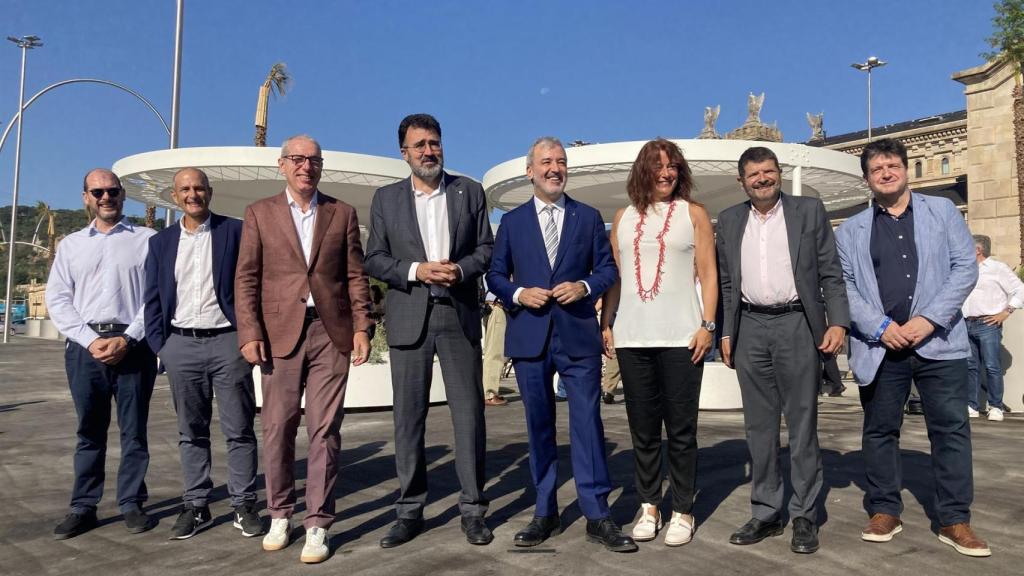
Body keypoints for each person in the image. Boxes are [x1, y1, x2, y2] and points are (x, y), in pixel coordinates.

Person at [836, 138, 989, 557]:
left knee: (951, 432)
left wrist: (927, 320)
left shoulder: (941, 211)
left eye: (892, 165)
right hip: (881, 346)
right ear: (867, 178)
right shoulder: (851, 230)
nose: (885, 173)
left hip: (939, 343)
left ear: (904, 169)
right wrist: (881, 326)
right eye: (876, 169)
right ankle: (885, 509)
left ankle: (955, 519)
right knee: (880, 430)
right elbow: (844, 287)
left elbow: (963, 269)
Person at [487, 136, 636, 553]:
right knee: (539, 427)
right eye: (546, 162)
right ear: (529, 171)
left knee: (588, 424)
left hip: (576, 336)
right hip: (531, 337)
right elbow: (495, 275)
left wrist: (585, 285)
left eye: (561, 161)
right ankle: (544, 511)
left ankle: (598, 513)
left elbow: (608, 270)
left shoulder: (588, 218)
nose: (555, 168)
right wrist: (518, 294)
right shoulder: (512, 222)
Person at [234, 134, 374, 564]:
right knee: (277, 427)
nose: (305, 166)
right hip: (278, 336)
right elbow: (247, 279)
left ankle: (317, 523)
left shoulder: (342, 213)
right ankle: (280, 513)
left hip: (330, 333)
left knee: (325, 430)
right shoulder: (259, 213)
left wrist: (363, 326)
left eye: (313, 160)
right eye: (296, 159)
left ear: (321, 166)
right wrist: (249, 332)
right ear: (282, 165)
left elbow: (355, 276)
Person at [364, 114, 494, 548]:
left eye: (434, 143)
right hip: (409, 318)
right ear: (404, 153)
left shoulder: (468, 192)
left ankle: (473, 509)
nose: (428, 151)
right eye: (419, 145)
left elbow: (486, 250)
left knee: (469, 417)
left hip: (457, 315)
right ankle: (408, 510)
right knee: (408, 420)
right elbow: (375, 259)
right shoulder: (386, 200)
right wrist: (417, 270)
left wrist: (459, 269)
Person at [717, 146, 849, 554]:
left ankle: (805, 514)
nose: (762, 179)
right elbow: (726, 283)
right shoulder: (730, 219)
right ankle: (766, 511)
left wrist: (838, 321)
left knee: (802, 423)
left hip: (797, 323)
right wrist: (726, 332)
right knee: (758, 426)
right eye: (754, 174)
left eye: (769, 171)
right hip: (750, 327)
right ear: (742, 181)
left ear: (778, 173)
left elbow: (830, 270)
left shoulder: (808, 211)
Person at [600, 139, 718, 547]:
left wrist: (708, 324)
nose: (665, 173)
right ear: (643, 172)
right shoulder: (623, 217)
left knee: (682, 430)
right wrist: (607, 320)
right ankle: (649, 505)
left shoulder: (694, 213)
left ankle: (683, 509)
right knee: (643, 430)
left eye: (672, 166)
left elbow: (708, 272)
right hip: (633, 338)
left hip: (683, 337)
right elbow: (614, 277)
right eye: (657, 166)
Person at [143, 168, 261, 540]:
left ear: (209, 192)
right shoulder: (161, 243)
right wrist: (161, 345)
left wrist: (249, 335)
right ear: (174, 196)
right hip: (181, 345)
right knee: (190, 431)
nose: (193, 194)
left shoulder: (235, 231)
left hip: (228, 342)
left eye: (199, 188)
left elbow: (254, 283)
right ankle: (197, 505)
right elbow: (153, 298)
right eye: (185, 189)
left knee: (239, 429)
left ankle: (243, 503)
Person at [46, 168, 157, 539]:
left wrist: (128, 338)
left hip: (134, 348)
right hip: (84, 349)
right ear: (85, 197)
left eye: (112, 191)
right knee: (89, 432)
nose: (105, 197)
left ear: (123, 195)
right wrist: (89, 340)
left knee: (134, 431)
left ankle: (131, 503)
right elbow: (58, 299)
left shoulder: (147, 240)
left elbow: (154, 297)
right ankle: (83, 507)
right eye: (98, 192)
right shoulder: (72, 245)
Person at [962, 234, 1023, 421]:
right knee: (970, 366)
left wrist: (1006, 312)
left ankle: (995, 406)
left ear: (978, 250)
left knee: (991, 366)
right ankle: (971, 405)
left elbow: (1020, 289)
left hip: (988, 324)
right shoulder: (964, 269)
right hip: (966, 323)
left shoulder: (998, 268)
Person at [481, 281, 509, 406]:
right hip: (496, 307)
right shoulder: (496, 263)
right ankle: (490, 394)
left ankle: (488, 392)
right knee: (495, 351)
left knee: (492, 350)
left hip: (490, 307)